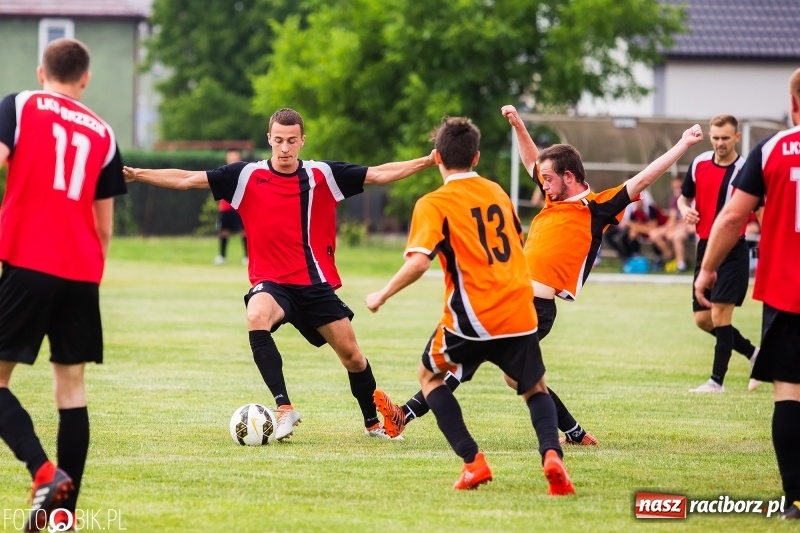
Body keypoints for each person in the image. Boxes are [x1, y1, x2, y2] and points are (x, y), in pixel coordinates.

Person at [372, 106, 702, 446]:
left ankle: (409, 418)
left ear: (570, 177)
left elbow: (645, 177)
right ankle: (570, 434)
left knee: (491, 369)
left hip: (536, 306)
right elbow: (533, 161)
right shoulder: (552, 197)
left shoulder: (596, 207)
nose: (541, 183)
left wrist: (682, 145)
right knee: (504, 375)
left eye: (548, 179)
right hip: (511, 297)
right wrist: (518, 126)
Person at [124, 108, 434, 442]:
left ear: (302, 140)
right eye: (278, 141)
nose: (284, 148)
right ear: (269, 140)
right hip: (273, 284)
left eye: (291, 141)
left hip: (315, 285)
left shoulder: (323, 175)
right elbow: (187, 179)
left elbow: (379, 174)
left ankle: (374, 423)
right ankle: (284, 407)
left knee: (354, 358)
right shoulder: (245, 176)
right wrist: (138, 173)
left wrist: (428, 161)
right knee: (256, 314)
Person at [366, 116, 574, 494]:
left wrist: (381, 295)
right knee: (535, 388)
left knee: (429, 377)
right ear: (476, 156)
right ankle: (551, 456)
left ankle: (472, 462)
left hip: (473, 316)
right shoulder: (497, 192)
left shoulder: (434, 202)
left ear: (437, 157)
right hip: (520, 309)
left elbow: (418, 261)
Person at [0, 38, 126, 531]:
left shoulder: (20, 104)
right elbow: (106, 225)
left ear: (41, 71)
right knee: (71, 390)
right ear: (85, 78)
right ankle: (62, 517)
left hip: (29, 262)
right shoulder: (104, 132)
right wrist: (93, 272)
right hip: (81, 273)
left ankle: (43, 472)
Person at [694, 68, 800, 521]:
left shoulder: (775, 149)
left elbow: (733, 218)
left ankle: (795, 501)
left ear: (793, 103)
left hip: (788, 291)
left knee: (789, 392)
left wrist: (707, 268)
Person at [678, 115, 760, 393]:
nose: (719, 143)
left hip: (733, 249)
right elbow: (683, 196)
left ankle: (716, 382)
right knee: (703, 319)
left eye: (725, 138)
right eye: (715, 137)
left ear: (737, 137)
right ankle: (754, 354)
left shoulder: (747, 169)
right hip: (704, 247)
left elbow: (760, 209)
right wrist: (683, 209)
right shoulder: (700, 163)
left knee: (721, 317)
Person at [649, 177, 693, 273]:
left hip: (688, 226)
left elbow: (689, 219)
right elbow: (672, 218)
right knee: (654, 233)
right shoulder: (674, 199)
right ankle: (670, 256)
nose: (677, 190)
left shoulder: (691, 197)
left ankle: (681, 264)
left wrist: (673, 228)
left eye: (679, 187)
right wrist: (668, 228)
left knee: (675, 236)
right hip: (678, 225)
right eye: (675, 187)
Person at [214, 148, 248, 266]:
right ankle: (222, 256)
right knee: (223, 231)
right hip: (225, 207)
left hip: (239, 207)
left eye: (235, 157)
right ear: (227, 158)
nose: (233, 159)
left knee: (244, 232)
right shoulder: (222, 172)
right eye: (231, 157)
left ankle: (247, 257)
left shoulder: (244, 172)